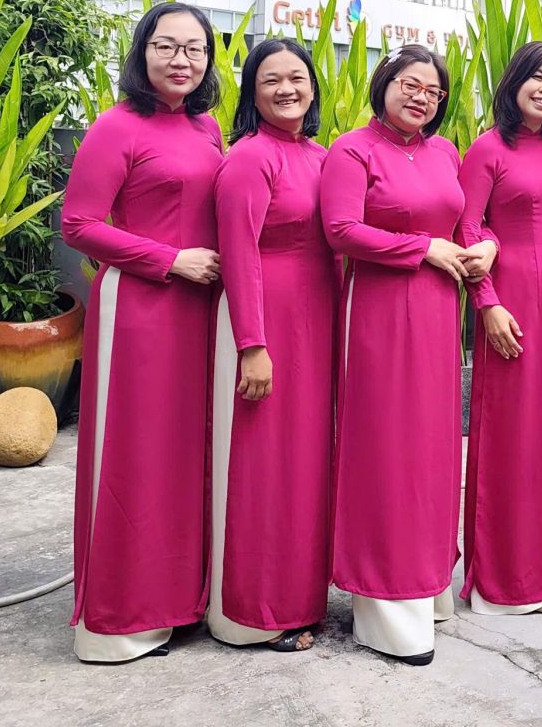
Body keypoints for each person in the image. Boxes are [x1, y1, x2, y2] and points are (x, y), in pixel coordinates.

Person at [61, 3, 223, 663]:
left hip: (201, 313)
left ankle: (179, 599)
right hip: (139, 312)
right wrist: (169, 259)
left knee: (186, 455)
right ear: (142, 52)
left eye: (195, 48)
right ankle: (124, 619)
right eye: (167, 46)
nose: (182, 59)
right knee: (136, 455)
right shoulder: (116, 126)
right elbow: (79, 225)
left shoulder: (208, 128)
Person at [321, 44, 490, 666]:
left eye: (433, 91)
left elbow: (466, 225)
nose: (421, 97)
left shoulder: (445, 152)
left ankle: (428, 585)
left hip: (439, 314)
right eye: (409, 85)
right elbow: (341, 230)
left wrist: (488, 247)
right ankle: (386, 607)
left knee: (433, 449)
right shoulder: (352, 150)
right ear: (384, 83)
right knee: (387, 448)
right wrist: (422, 248)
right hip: (379, 312)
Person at [208, 39, 337, 652]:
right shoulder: (249, 158)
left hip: (320, 317)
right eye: (271, 80)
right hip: (269, 319)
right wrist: (252, 344)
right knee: (266, 461)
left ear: (313, 86)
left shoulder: (322, 156)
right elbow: (238, 253)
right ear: (252, 93)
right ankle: (254, 611)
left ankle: (302, 597)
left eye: (297, 78)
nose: (287, 89)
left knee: (308, 462)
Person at [456, 41, 542, 616]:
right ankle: (504, 580)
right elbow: (467, 226)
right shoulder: (488, 148)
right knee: (512, 430)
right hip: (512, 297)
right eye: (538, 77)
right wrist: (487, 302)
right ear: (515, 81)